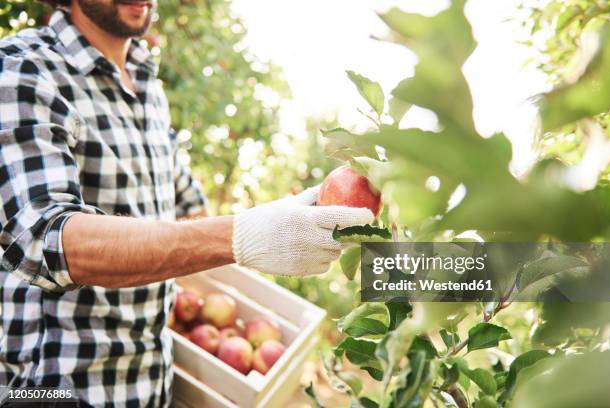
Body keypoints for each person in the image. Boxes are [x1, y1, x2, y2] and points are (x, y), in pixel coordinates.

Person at [0, 1, 374, 406]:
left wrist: (293, 217)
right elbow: (45, 239)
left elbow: (188, 213)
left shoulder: (148, 88)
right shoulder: (25, 69)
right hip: (57, 390)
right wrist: (241, 234)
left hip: (150, 385)